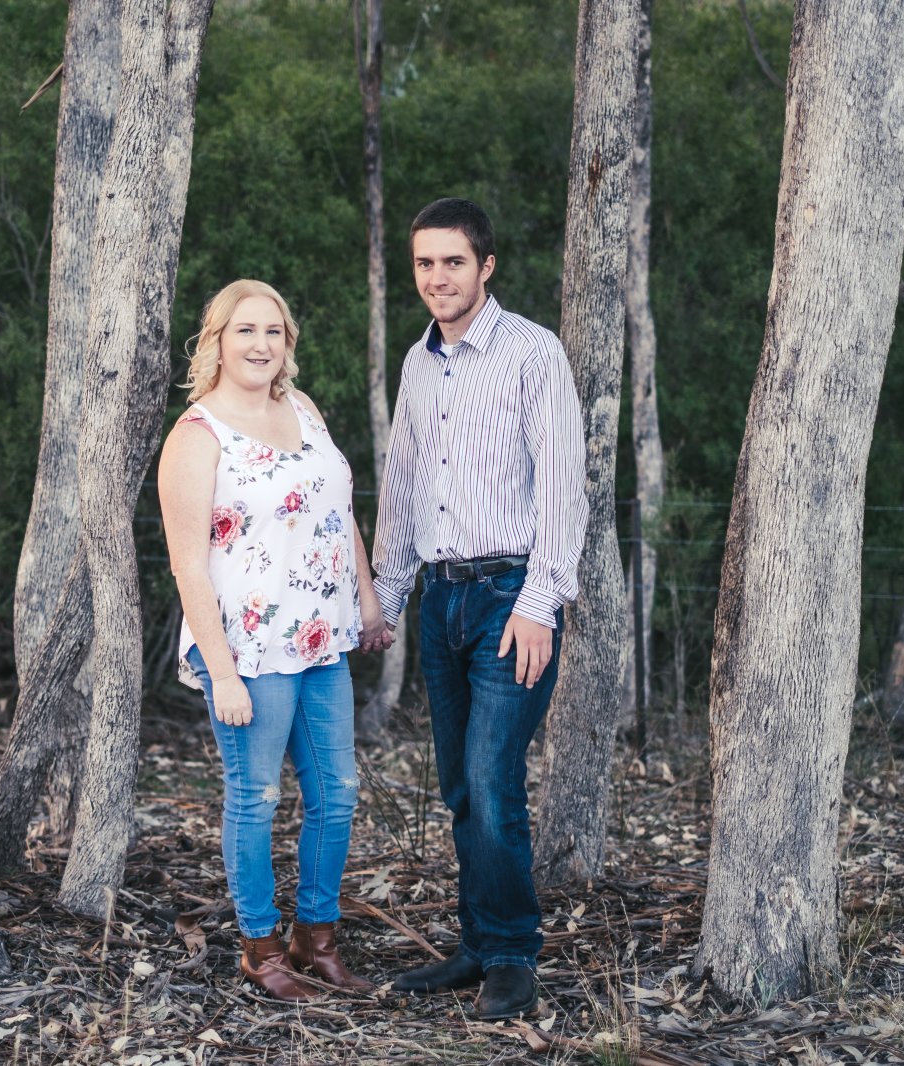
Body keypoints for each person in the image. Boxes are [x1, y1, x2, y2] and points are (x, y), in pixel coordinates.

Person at [371, 198, 588, 1020]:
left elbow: (563, 484)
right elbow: (403, 483)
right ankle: (475, 944)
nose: (437, 277)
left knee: (494, 780)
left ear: (485, 266)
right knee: (461, 786)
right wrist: (386, 596)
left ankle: (512, 955)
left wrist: (540, 601)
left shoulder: (533, 352)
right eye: (425, 263)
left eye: (453, 262)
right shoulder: (418, 362)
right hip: (442, 599)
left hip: (510, 598)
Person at [158, 279, 386, 1001]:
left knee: (338, 792)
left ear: (288, 342)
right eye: (245, 331)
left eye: (274, 332)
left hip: (319, 639)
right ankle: (261, 950)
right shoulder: (197, 436)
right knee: (256, 796)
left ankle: (316, 940)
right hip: (248, 651)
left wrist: (367, 601)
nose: (261, 345)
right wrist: (222, 672)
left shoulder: (304, 409)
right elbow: (187, 564)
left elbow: (336, 512)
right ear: (217, 342)